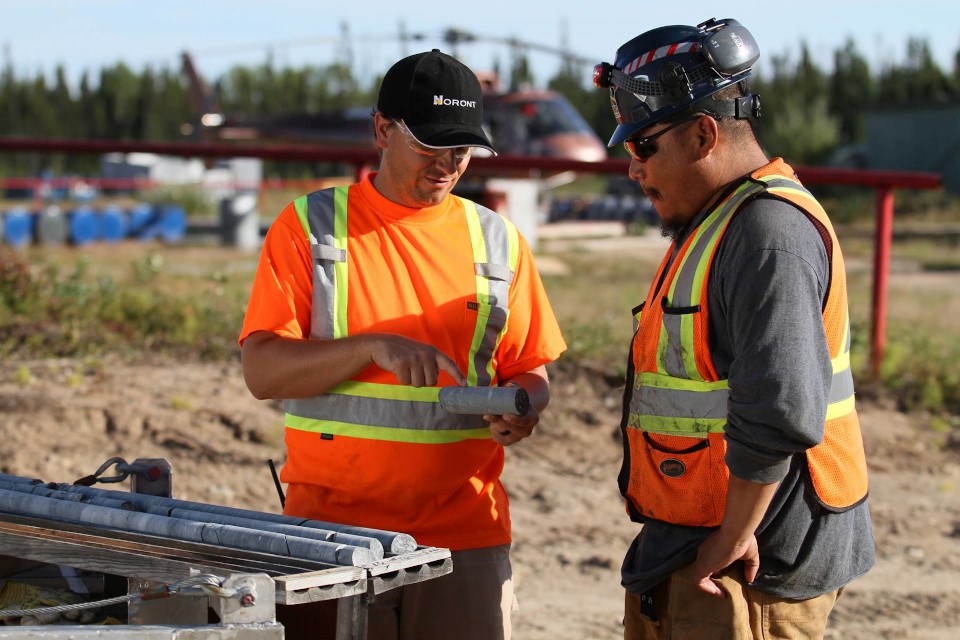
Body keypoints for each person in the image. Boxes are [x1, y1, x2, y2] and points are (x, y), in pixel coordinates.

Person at [238, 49, 566, 640]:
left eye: (461, 148)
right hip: (329, 540)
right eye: (430, 145)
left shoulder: (497, 241)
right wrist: (371, 348)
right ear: (382, 129)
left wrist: (524, 406)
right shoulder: (311, 226)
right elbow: (263, 372)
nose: (447, 164)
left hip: (464, 537)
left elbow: (529, 369)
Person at [592, 18, 875, 639]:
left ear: (703, 133)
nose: (632, 169)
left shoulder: (767, 234)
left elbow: (781, 406)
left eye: (643, 146)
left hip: (751, 563)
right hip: (700, 544)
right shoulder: (717, 219)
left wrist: (735, 534)